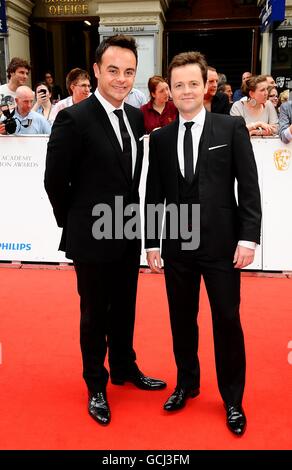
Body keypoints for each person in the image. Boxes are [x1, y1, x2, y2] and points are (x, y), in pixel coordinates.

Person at [44, 34, 166, 427]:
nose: (122, 79)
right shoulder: (73, 118)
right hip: (91, 235)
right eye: (113, 70)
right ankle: (96, 383)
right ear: (96, 70)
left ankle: (125, 367)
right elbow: (53, 181)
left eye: (129, 72)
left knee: (126, 306)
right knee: (95, 313)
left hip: (127, 230)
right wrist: (77, 222)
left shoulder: (134, 117)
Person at [145, 51, 261, 436]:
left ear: (205, 85)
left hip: (222, 246)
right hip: (177, 246)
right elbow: (153, 194)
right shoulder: (160, 139)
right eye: (178, 85)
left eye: (192, 83)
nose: (186, 90)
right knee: (182, 320)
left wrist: (248, 238)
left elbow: (248, 186)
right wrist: (151, 243)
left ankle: (232, 398)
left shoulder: (230, 128)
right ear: (170, 92)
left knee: (227, 320)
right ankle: (186, 383)